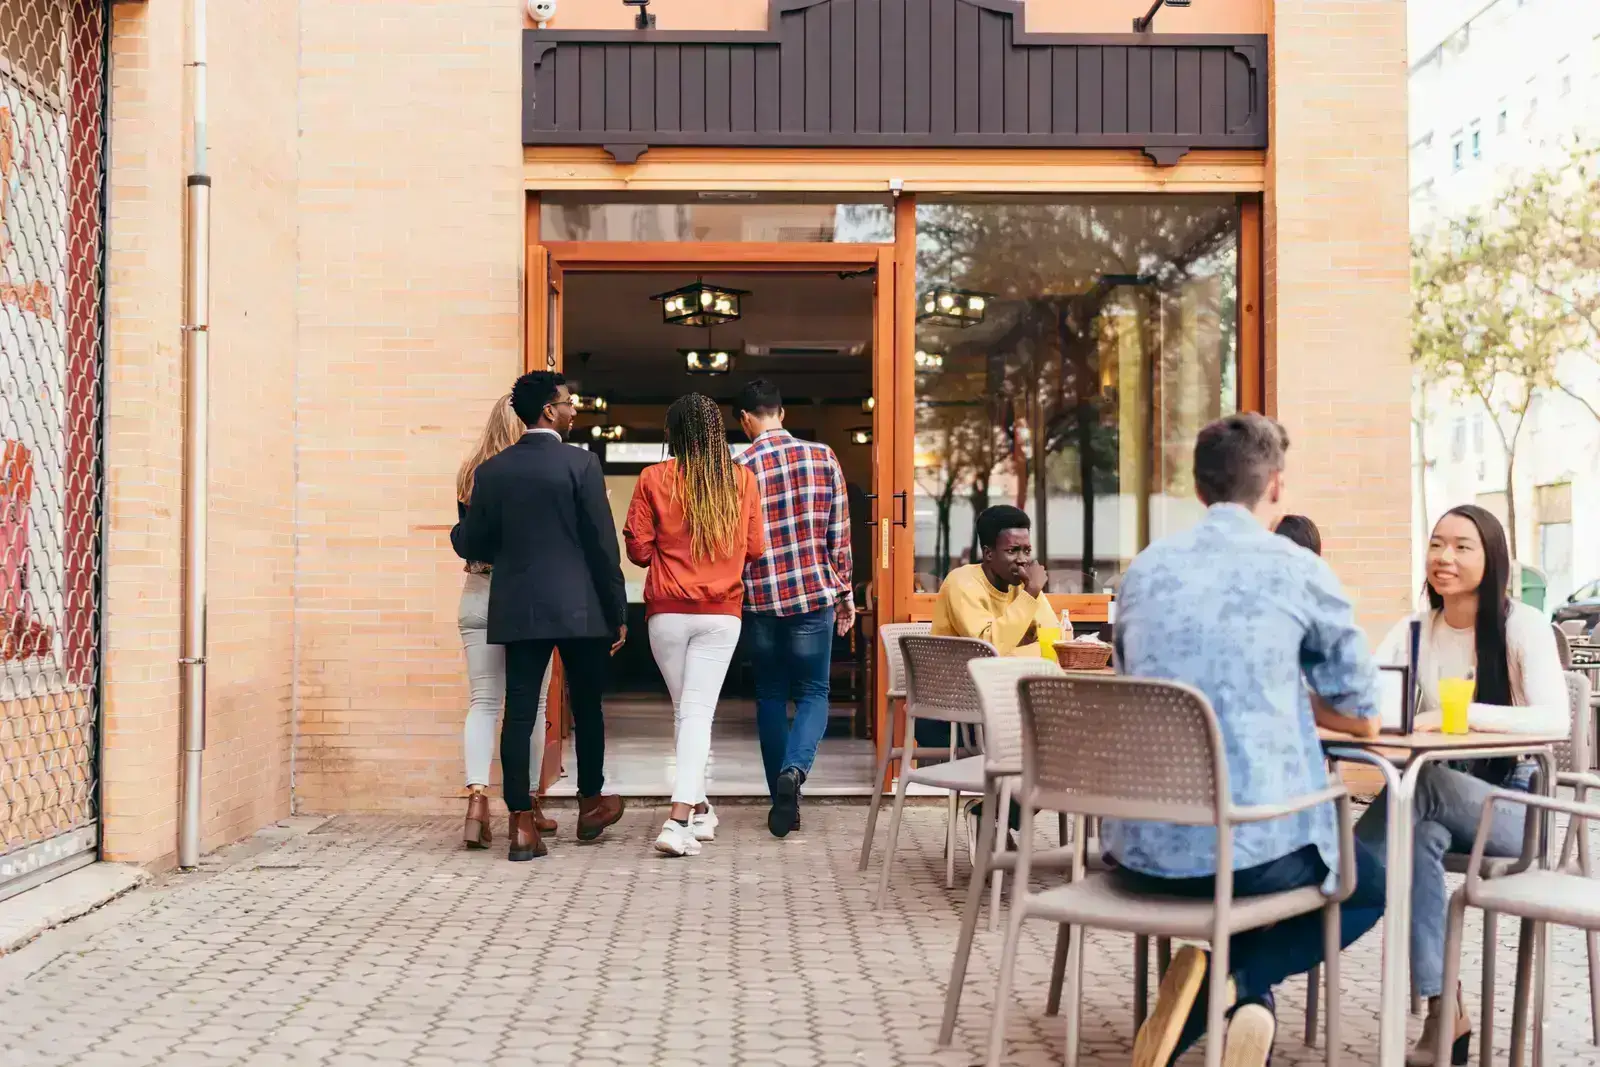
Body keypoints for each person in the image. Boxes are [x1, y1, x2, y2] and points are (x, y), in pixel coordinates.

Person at [1111, 413, 1387, 1067]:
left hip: (1139, 847)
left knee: (1266, 855)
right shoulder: (1297, 570)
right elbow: (1363, 709)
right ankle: (1227, 986)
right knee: (1368, 880)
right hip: (1250, 852)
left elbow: (1135, 683)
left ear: (1198, 487)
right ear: (1277, 486)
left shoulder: (1143, 572)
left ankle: (1232, 1007)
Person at [1357, 504, 1567, 1066]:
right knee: (1416, 830)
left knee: (1415, 791)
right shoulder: (1414, 630)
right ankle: (1442, 1009)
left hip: (1514, 806)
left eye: (1462, 546)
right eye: (1435, 544)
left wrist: (1460, 716)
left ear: (1490, 557)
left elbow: (1556, 721)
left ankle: (1342, 882)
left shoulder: (1522, 625)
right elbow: (1372, 695)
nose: (1444, 557)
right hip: (1446, 796)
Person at [454, 370, 628, 862]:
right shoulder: (582, 464)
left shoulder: (492, 472)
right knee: (588, 708)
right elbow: (601, 543)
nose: (575, 409)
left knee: (520, 712)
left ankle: (521, 825)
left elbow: (476, 545)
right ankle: (591, 804)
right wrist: (617, 608)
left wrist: (457, 531)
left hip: (518, 606)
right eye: (569, 402)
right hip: (580, 608)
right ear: (550, 411)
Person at [624, 394, 766, 858]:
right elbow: (756, 548)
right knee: (695, 711)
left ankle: (695, 812)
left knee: (687, 710)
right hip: (720, 612)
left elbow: (640, 552)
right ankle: (681, 818)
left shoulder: (653, 478)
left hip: (666, 610)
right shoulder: (742, 479)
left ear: (673, 435)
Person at [734, 379, 854, 838]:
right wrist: (844, 594)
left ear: (746, 420)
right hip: (812, 596)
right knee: (814, 692)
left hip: (760, 598)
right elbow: (838, 535)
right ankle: (795, 773)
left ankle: (781, 797)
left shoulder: (738, 466)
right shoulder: (823, 457)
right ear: (780, 413)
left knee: (769, 695)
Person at [454, 395, 556, 849]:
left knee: (484, 702)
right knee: (531, 704)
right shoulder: (536, 475)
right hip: (527, 597)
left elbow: (468, 538)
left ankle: (477, 801)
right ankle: (529, 803)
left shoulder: (471, 473)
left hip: (477, 592)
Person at [931, 505, 1056, 657]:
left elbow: (1054, 640)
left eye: (1027, 551)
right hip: (959, 678)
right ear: (989, 553)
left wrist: (1010, 655)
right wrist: (1030, 593)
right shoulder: (961, 582)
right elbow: (988, 650)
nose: (1023, 560)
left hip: (1004, 677)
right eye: (1012, 551)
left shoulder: (1024, 585)